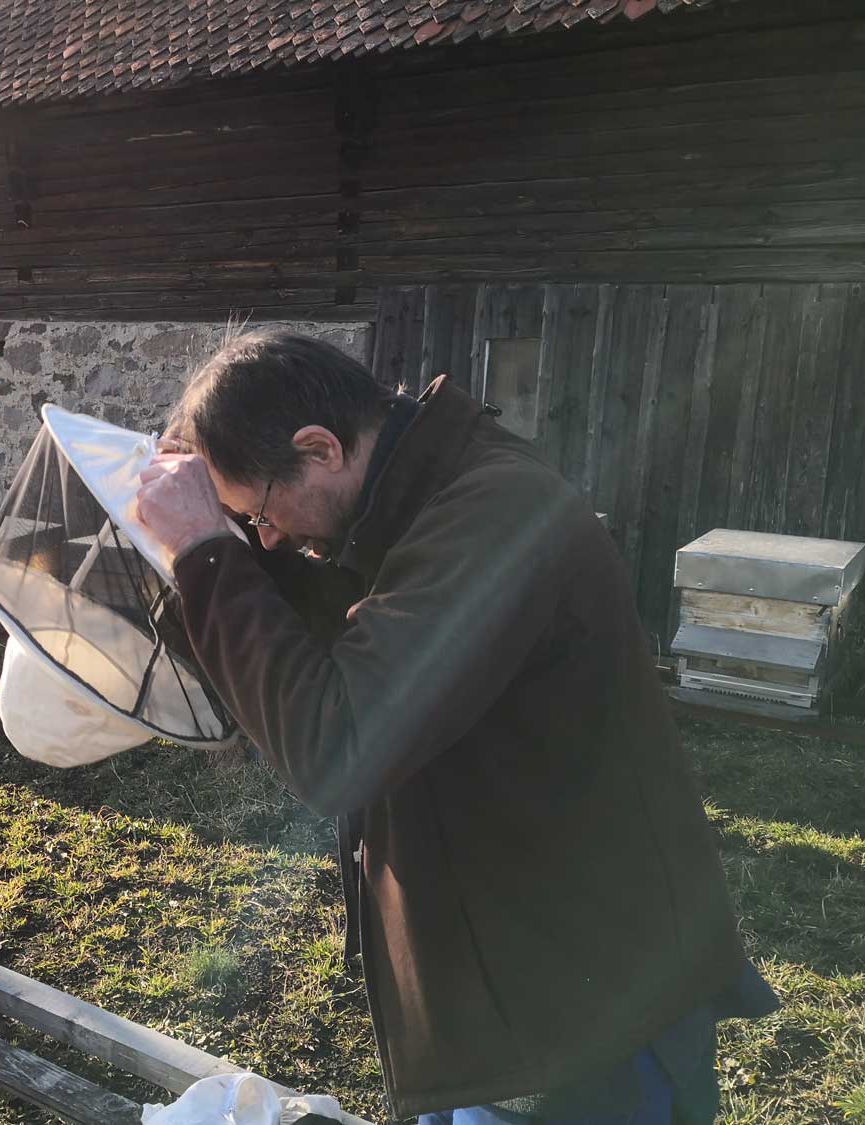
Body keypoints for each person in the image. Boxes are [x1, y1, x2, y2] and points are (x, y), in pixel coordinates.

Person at [133, 330, 776, 1125]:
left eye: (258, 512)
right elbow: (338, 629)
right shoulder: (408, 500)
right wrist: (214, 556)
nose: (264, 538)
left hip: (589, 1015)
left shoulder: (492, 515)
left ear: (320, 447)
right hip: (504, 993)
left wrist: (205, 553)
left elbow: (339, 747)